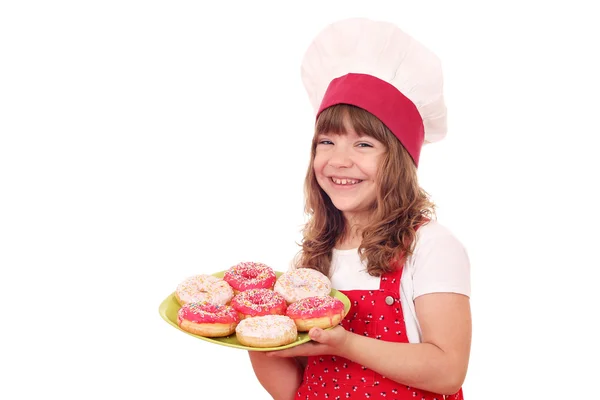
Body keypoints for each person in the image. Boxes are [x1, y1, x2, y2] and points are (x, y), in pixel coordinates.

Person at [248, 17, 471, 400]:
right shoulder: (311, 261)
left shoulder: (429, 246)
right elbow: (294, 390)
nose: (339, 160)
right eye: (327, 142)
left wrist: (345, 343)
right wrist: (256, 334)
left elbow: (448, 370)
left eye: (364, 144)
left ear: (399, 160)